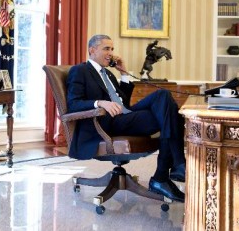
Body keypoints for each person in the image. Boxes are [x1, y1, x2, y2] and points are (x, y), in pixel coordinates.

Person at [66, 34, 186, 202]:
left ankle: (167, 173)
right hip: (106, 122)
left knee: (163, 96)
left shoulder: (107, 73)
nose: (111, 53)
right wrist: (100, 103)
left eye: (112, 49)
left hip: (124, 115)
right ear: (92, 50)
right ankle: (168, 172)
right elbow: (73, 103)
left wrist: (123, 73)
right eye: (106, 48)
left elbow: (124, 101)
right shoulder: (80, 71)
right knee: (169, 116)